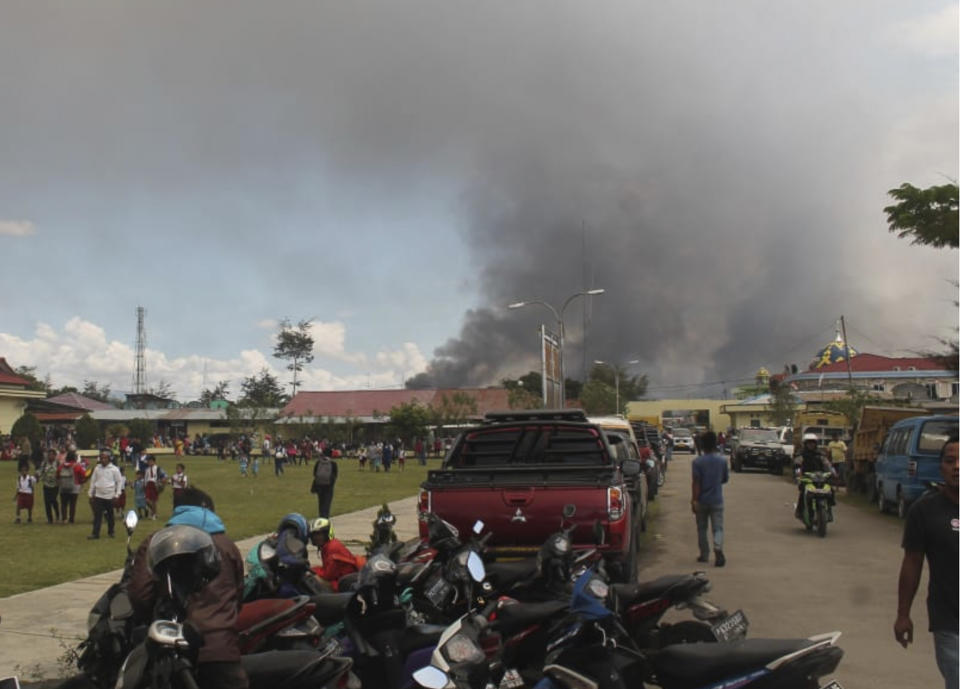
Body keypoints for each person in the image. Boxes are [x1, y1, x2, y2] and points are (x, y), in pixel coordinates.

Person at [128, 488, 248, 689]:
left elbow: (140, 595)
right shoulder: (227, 545)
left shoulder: (158, 542)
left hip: (173, 652)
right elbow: (238, 596)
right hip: (222, 650)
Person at [894, 435, 958, 689]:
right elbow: (912, 563)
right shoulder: (925, 510)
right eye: (950, 460)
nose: (957, 466)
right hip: (950, 622)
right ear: (940, 466)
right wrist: (903, 615)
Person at [691, 430, 728, 567]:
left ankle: (704, 554)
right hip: (717, 499)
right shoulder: (722, 461)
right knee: (718, 528)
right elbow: (724, 479)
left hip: (701, 500)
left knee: (702, 528)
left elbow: (696, 482)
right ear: (715, 444)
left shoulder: (697, 462)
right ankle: (718, 547)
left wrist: (694, 500)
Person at [308, 517, 364, 591]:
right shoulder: (327, 546)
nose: (316, 538)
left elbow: (327, 576)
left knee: (312, 579)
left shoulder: (332, 547)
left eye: (319, 534)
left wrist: (310, 571)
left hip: (345, 585)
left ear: (327, 533)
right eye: (314, 535)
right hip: (343, 580)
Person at [794, 433, 834, 518]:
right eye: (809, 443)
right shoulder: (801, 454)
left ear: (816, 444)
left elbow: (827, 464)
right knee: (803, 493)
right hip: (806, 478)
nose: (811, 445)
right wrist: (798, 475)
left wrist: (832, 472)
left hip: (820, 477)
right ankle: (800, 511)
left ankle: (829, 510)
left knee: (830, 490)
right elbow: (797, 465)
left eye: (813, 443)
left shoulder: (820, 454)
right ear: (805, 444)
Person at [87, 449, 123, 539]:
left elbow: (119, 482)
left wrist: (117, 495)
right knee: (97, 515)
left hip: (110, 496)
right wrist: (91, 493)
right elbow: (93, 481)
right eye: (102, 458)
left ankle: (111, 531)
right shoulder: (97, 468)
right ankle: (95, 533)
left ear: (109, 459)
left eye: (105, 458)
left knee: (110, 515)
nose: (103, 460)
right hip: (98, 495)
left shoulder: (114, 469)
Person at [57, 450, 83, 523]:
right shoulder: (77, 466)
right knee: (72, 504)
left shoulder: (61, 466)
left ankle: (64, 518)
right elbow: (82, 475)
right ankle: (71, 519)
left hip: (63, 487)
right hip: (74, 487)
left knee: (64, 504)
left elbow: (57, 475)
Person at [311, 452, 339, 519]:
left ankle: (321, 515)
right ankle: (325, 516)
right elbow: (335, 474)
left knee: (321, 501)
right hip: (329, 485)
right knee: (327, 501)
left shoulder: (318, 462)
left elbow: (314, 473)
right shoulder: (333, 463)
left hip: (319, 484)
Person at [37, 448, 60, 524]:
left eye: (52, 455)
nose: (50, 456)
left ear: (55, 456)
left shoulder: (57, 463)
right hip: (46, 484)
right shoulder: (44, 463)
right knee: (47, 502)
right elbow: (40, 471)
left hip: (55, 485)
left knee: (53, 500)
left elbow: (60, 471)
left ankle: (57, 515)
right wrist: (37, 476)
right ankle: (49, 519)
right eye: (49, 455)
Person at [143, 455, 162, 520]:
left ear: (154, 461)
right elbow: (145, 477)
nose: (149, 463)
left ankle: (154, 514)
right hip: (148, 485)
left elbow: (160, 476)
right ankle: (153, 511)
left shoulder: (157, 468)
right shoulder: (147, 469)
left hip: (154, 484)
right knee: (147, 500)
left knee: (154, 501)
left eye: (151, 461)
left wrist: (159, 484)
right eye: (148, 461)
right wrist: (145, 485)